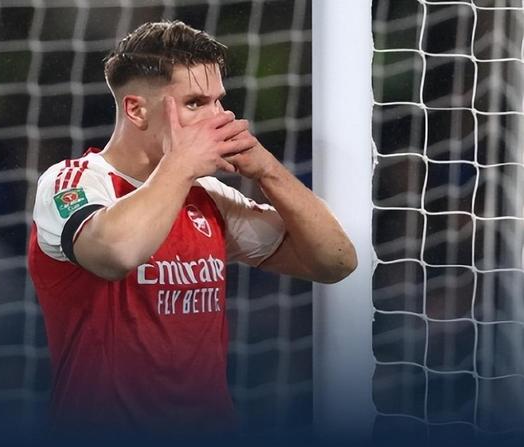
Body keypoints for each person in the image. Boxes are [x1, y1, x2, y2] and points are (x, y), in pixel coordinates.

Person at [28, 20, 357, 439]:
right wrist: (182, 164)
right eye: (196, 103)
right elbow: (115, 254)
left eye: (219, 102)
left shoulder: (209, 196)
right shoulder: (73, 182)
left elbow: (336, 261)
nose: (219, 118)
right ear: (136, 110)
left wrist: (269, 172)